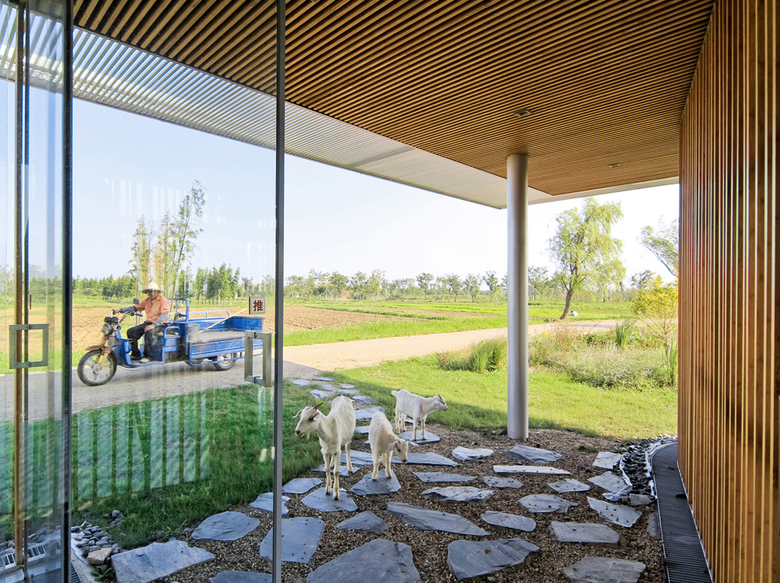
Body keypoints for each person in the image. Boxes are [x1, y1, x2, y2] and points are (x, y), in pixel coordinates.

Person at [121, 282, 170, 363]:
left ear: (158, 292)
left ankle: (148, 356)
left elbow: (164, 315)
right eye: (149, 291)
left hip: (161, 324)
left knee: (149, 331)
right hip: (148, 323)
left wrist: (154, 325)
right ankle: (136, 354)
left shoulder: (163, 301)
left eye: (153, 291)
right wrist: (120, 310)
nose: (151, 293)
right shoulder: (147, 301)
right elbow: (136, 307)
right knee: (131, 331)